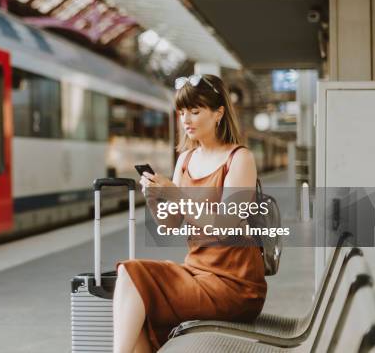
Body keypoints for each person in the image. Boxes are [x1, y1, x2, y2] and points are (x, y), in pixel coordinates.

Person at [113, 74, 267, 353]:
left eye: (195, 111)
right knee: (130, 280)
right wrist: (154, 198)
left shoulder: (239, 158)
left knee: (134, 282)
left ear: (219, 113)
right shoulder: (185, 159)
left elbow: (225, 225)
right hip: (196, 271)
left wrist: (177, 195)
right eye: (182, 112)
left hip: (235, 284)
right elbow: (171, 223)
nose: (186, 119)